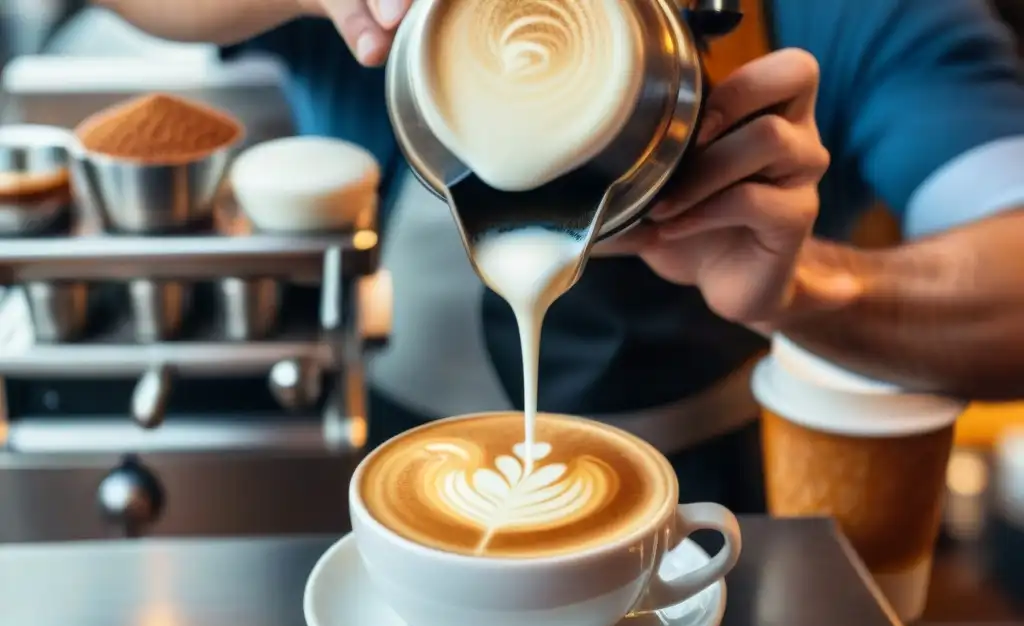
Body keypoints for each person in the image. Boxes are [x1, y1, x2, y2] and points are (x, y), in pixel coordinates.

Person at [97, 0, 1024, 513]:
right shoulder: (371, 37)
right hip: (399, 494)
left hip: (720, 530)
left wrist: (811, 285)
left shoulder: (853, 17)